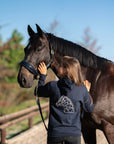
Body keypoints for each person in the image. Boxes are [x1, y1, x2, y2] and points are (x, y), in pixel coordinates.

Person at [37, 56, 94, 144]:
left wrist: (43, 76)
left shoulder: (52, 86)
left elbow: (39, 91)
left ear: (66, 70)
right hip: (74, 134)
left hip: (55, 134)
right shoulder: (81, 89)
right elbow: (89, 108)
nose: (58, 67)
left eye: (61, 66)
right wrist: (87, 92)